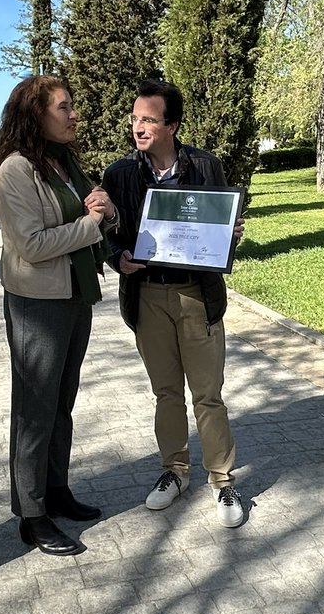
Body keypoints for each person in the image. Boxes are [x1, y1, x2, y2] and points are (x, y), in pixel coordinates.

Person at [102, 79, 246, 529]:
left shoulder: (204, 166)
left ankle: (222, 482)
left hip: (195, 294)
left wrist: (228, 237)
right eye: (134, 119)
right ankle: (174, 471)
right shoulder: (120, 173)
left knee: (208, 394)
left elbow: (219, 230)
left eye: (148, 119)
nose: (138, 128)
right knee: (165, 392)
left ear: (172, 125)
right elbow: (109, 233)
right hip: (146, 295)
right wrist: (117, 256)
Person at [0, 75, 115, 556]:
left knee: (62, 400)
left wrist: (107, 212)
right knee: (34, 409)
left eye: (71, 105)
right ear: (35, 114)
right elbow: (32, 245)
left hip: (74, 296)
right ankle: (31, 514)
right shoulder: (16, 171)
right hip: (37, 305)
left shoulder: (64, 163)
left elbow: (100, 215)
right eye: (63, 107)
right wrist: (91, 223)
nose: (73, 114)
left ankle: (56, 490)